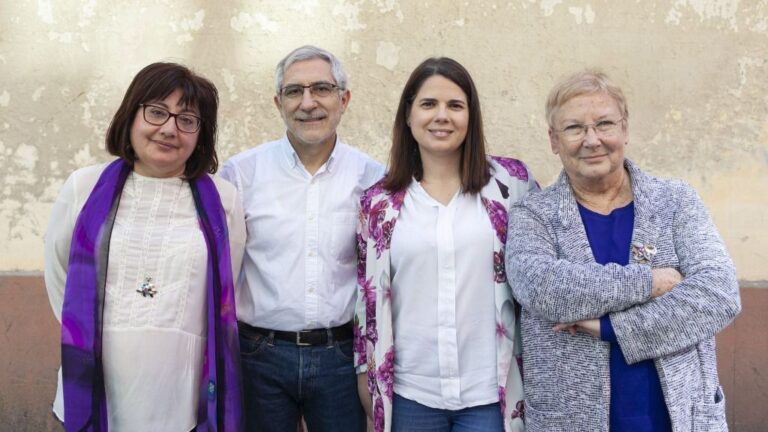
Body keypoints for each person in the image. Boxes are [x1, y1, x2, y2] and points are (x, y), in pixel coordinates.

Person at [505, 70, 741, 431]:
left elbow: (718, 294)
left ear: (625, 130)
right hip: (570, 420)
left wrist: (610, 327)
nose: (592, 139)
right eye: (574, 128)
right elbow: (540, 286)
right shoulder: (534, 214)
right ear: (553, 140)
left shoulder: (675, 202)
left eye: (604, 124)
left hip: (677, 417)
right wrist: (649, 282)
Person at [44, 62, 245, 431]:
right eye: (156, 112)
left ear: (201, 134)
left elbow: (223, 288)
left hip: (180, 394)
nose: (169, 129)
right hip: (96, 382)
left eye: (187, 119)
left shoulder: (225, 201)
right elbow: (60, 278)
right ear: (131, 115)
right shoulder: (82, 188)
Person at [355, 57, 538, 432]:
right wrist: (365, 375)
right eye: (428, 104)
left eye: (455, 105)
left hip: (489, 396)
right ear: (408, 115)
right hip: (411, 397)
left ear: (471, 116)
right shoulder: (378, 204)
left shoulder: (510, 186)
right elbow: (366, 299)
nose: (442, 116)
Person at [220, 45, 385, 431]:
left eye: (321, 89)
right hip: (258, 355)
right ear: (278, 103)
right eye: (294, 92)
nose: (308, 103)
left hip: (341, 357)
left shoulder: (373, 178)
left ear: (343, 99)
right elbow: (219, 268)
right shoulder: (241, 174)